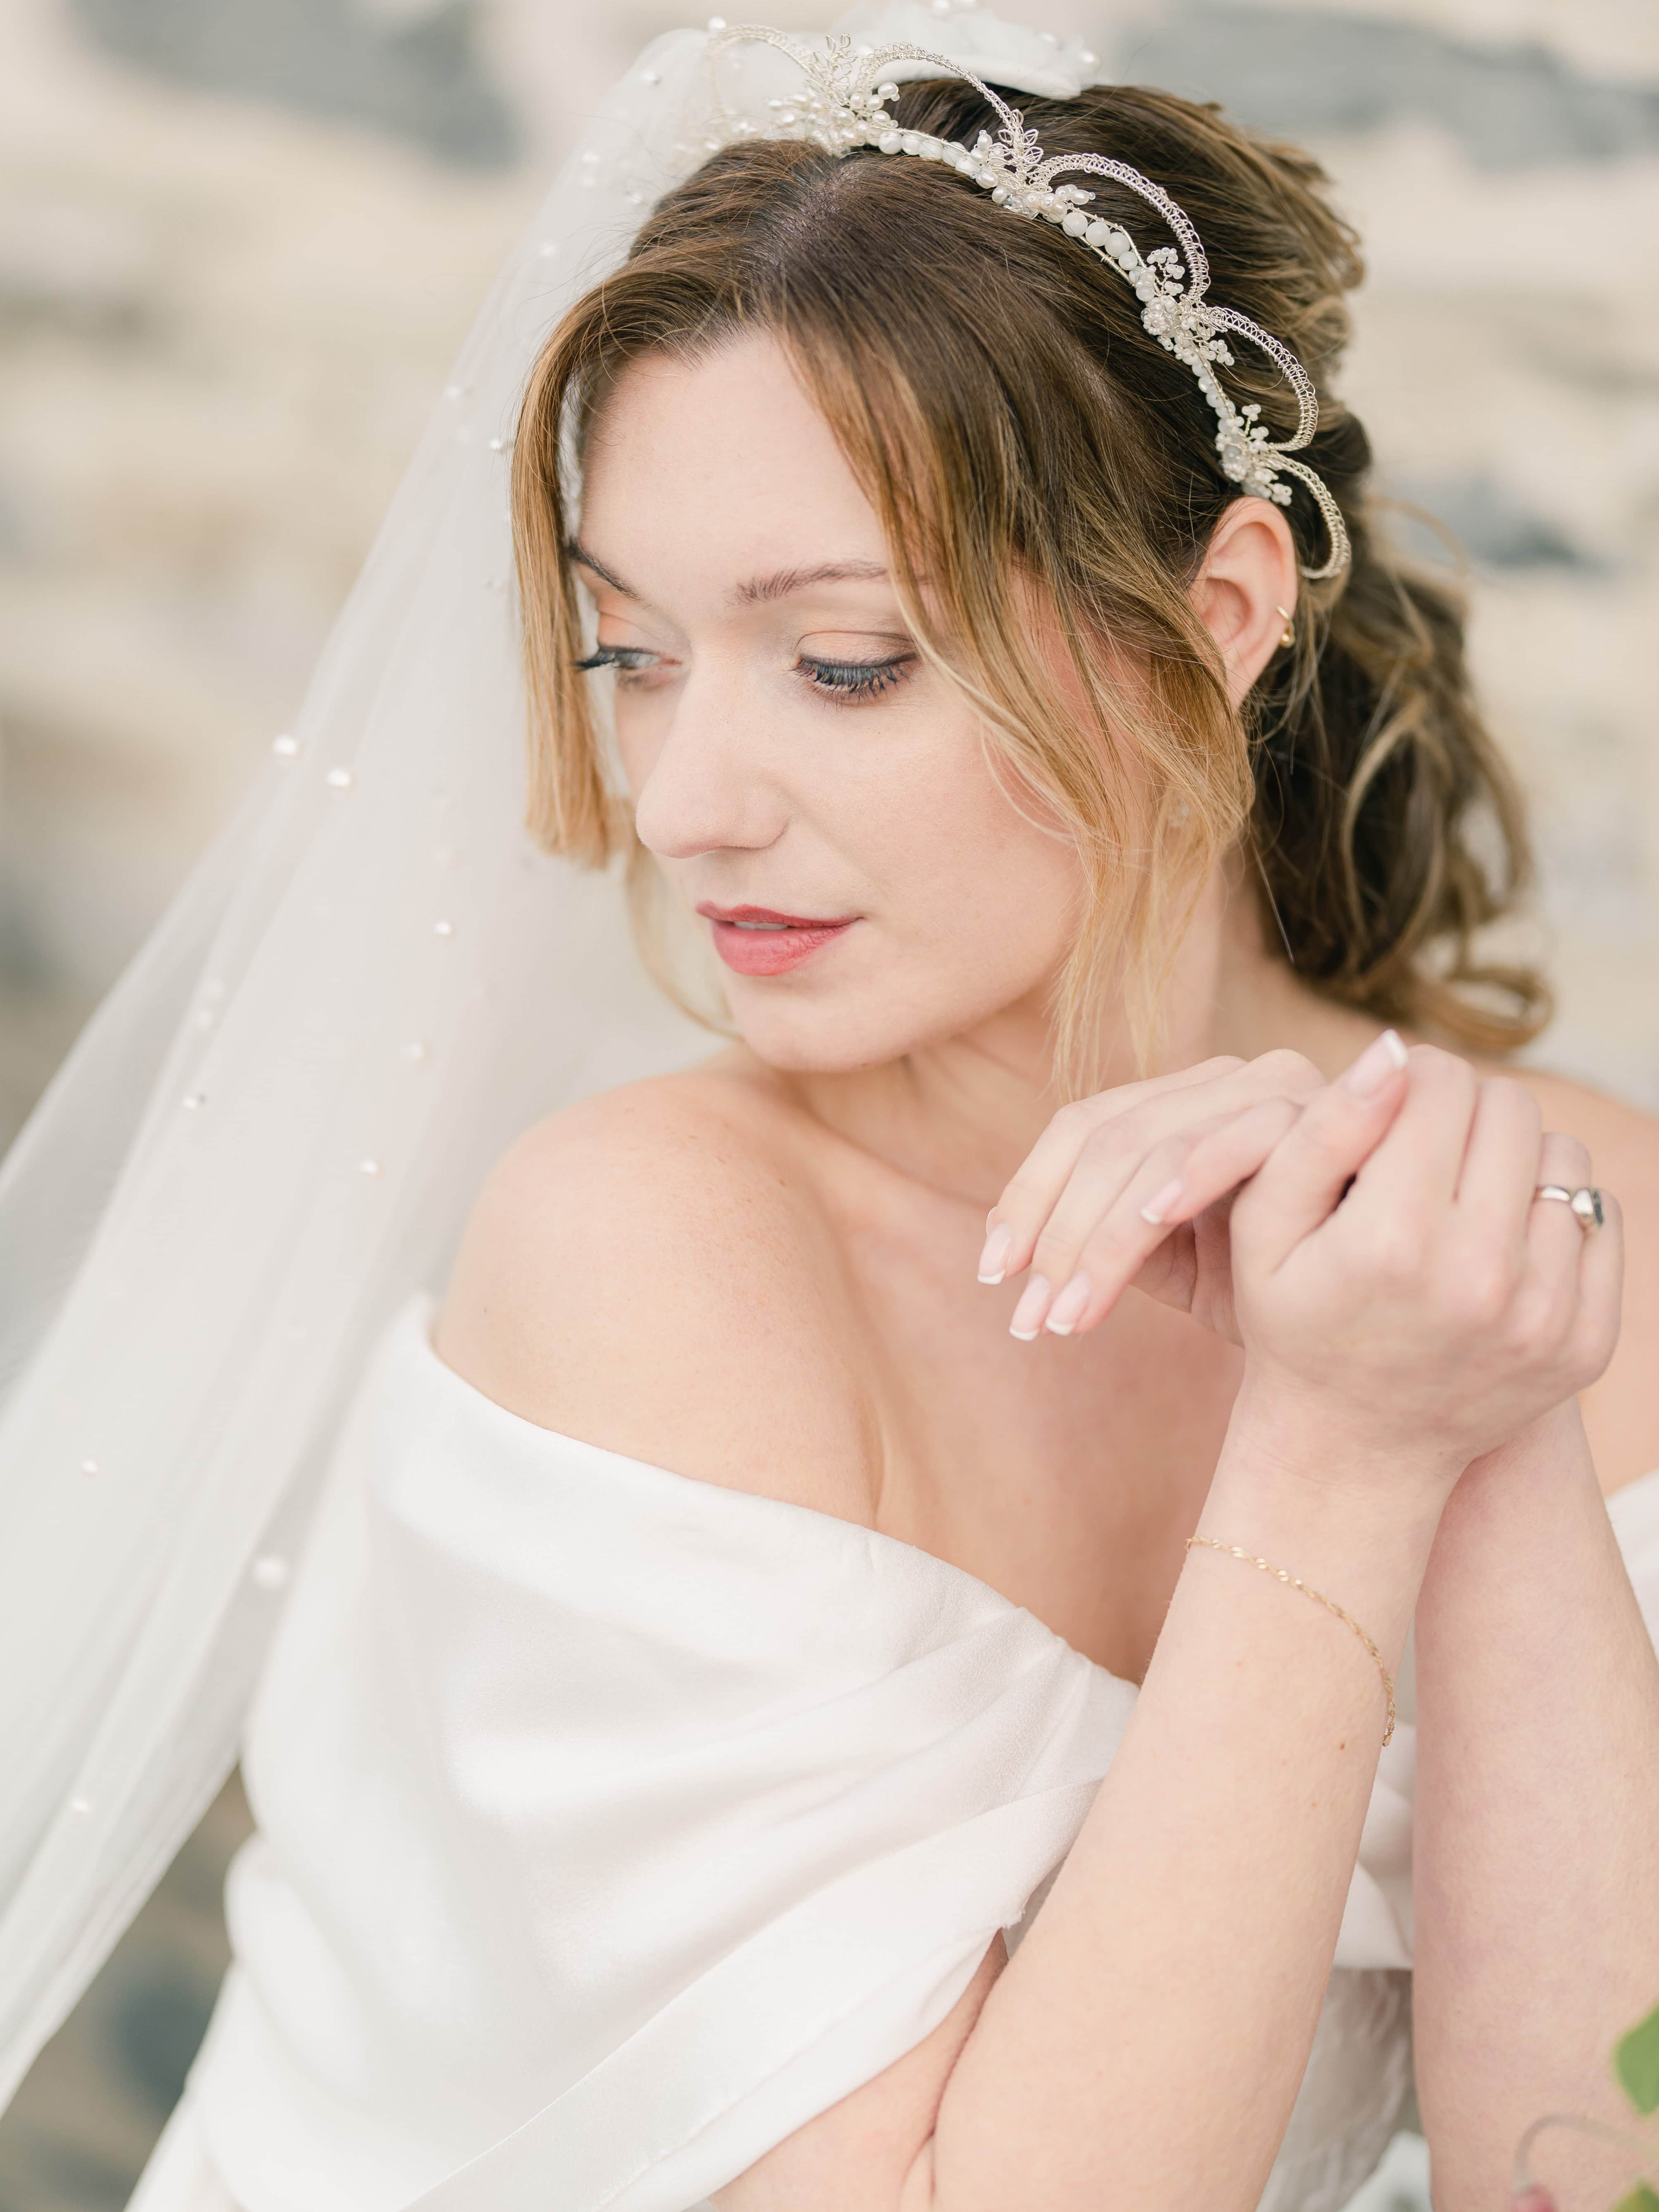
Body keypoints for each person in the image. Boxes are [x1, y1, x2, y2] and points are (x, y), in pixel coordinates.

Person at [0, 13, 1655, 2212]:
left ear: (1214, 618)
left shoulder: (1587, 1214)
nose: (685, 802)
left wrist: (1489, 1403)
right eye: (633, 656)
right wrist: (1343, 1456)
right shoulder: (657, 1259)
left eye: (844, 661)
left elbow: (1588, 2167)